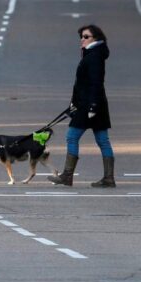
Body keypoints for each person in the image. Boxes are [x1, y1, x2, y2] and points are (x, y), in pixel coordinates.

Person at [50, 25, 116, 187]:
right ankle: (108, 178)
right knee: (103, 140)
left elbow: (96, 83)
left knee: (72, 137)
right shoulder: (94, 54)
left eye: (86, 36)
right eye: (81, 36)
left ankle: (67, 175)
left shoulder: (94, 57)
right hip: (93, 105)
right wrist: (73, 104)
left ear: (96, 39)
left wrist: (92, 106)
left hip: (89, 106)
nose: (82, 39)